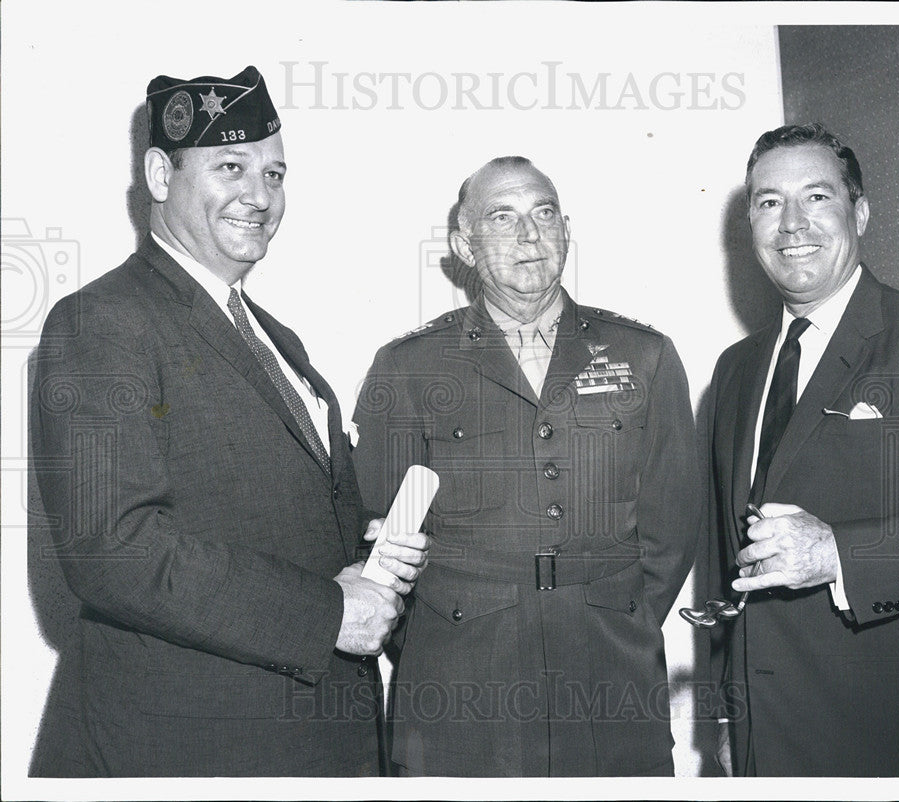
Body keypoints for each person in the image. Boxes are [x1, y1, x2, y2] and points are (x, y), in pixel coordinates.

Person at [30, 66, 428, 777]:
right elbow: (112, 551)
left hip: (310, 744)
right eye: (231, 167)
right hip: (186, 753)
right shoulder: (99, 322)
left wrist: (371, 563)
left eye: (276, 174)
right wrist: (326, 613)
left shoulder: (279, 340)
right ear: (160, 174)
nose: (261, 196)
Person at [351, 156, 702, 776]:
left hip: (608, 673)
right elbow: (383, 533)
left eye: (544, 214)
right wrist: (452, 627)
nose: (529, 235)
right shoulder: (409, 366)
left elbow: (671, 529)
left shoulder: (641, 355)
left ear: (565, 229)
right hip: (461, 682)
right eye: (502, 217)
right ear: (463, 244)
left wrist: (606, 610)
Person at [704, 123, 899, 777]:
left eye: (816, 197)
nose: (792, 224)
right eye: (769, 202)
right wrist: (727, 711)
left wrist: (835, 553)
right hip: (763, 736)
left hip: (893, 738)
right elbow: (725, 557)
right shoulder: (734, 369)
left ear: (859, 212)